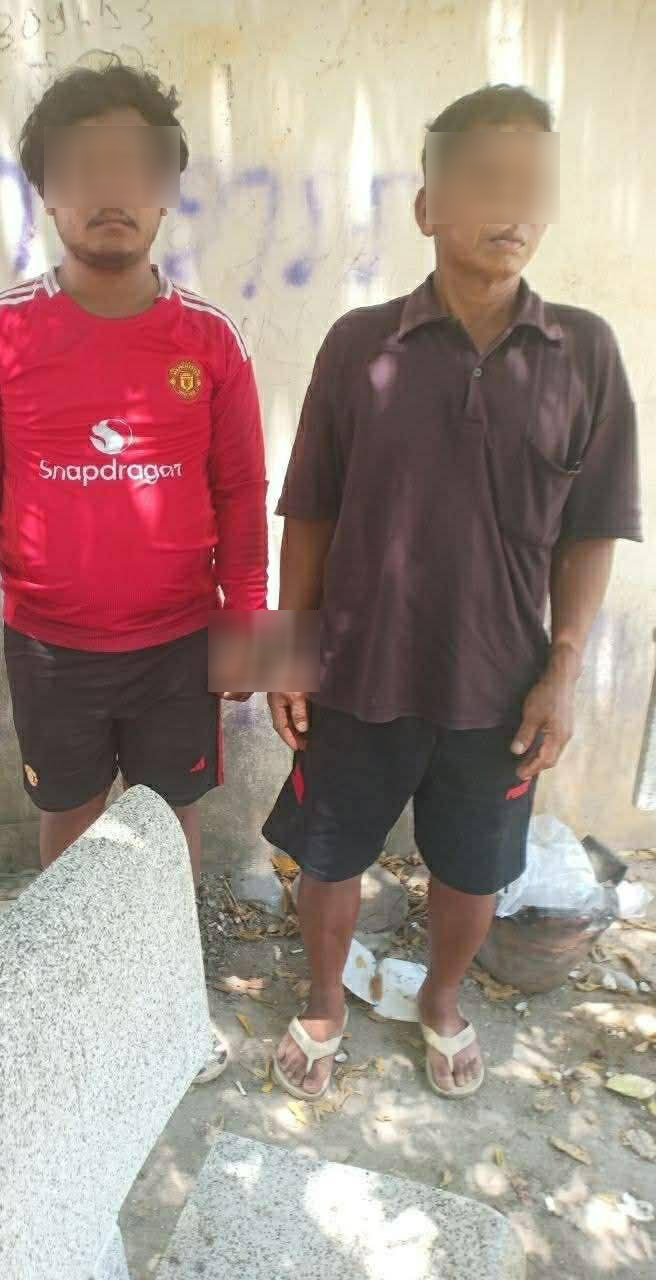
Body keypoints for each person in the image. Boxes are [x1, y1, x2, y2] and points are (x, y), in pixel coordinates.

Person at [265, 84, 642, 1102]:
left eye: (531, 185)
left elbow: (593, 530)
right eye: (484, 181)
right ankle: (325, 1000)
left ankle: (440, 999)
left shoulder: (587, 352)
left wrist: (564, 672)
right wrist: (279, 656)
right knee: (328, 853)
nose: (511, 207)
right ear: (427, 204)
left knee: (474, 869)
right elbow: (307, 511)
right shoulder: (357, 344)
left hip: (500, 685)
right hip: (354, 670)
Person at [0, 64, 268, 1083]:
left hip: (179, 645)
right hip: (50, 646)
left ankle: (167, 1007)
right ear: (46, 188)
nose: (111, 190)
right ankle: (75, 1006)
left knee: (169, 825)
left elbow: (245, 493)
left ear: (166, 188)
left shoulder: (211, 341)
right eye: (84, 168)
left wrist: (251, 624)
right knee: (69, 822)